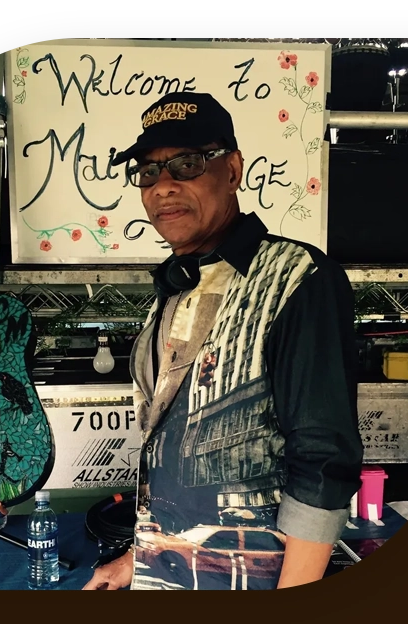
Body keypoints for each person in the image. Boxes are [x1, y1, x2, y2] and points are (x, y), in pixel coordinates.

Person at [82, 92, 363, 591]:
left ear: (232, 170)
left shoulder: (299, 277)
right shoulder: (176, 285)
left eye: (186, 164)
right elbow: (163, 451)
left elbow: (322, 460)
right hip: (164, 577)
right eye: (147, 172)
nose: (162, 187)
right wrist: (135, 559)